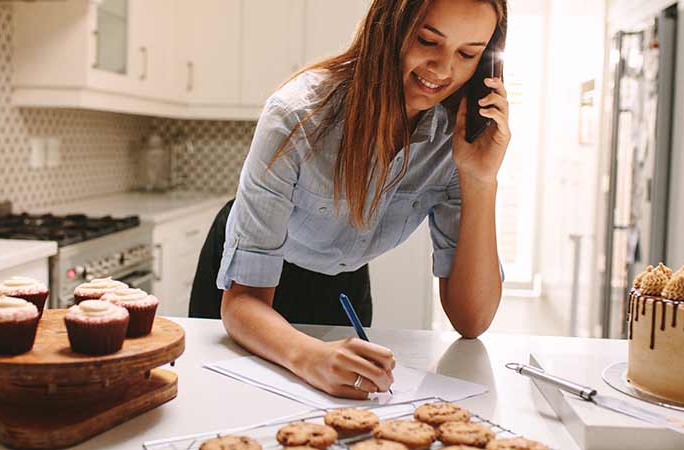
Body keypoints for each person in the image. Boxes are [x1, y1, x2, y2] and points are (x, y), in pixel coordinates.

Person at [217, 0, 509, 399]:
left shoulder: (453, 137)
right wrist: (310, 357)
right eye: (427, 40)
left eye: (468, 53)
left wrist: (481, 179)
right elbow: (241, 303)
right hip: (253, 293)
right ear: (388, 26)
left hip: (344, 285)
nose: (443, 70)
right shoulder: (296, 115)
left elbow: (471, 319)